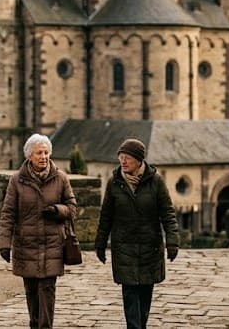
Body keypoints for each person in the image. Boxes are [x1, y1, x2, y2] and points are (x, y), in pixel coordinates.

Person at [94, 138, 179, 329]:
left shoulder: (155, 182)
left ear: (139, 160)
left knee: (145, 292)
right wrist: (100, 243)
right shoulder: (114, 182)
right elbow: (106, 215)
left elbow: (167, 213)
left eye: (127, 158)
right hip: (124, 246)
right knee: (130, 291)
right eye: (121, 158)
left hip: (150, 246)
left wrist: (172, 241)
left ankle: (140, 325)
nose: (123, 162)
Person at [0, 133, 78, 329]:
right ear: (29, 156)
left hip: (52, 244)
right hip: (27, 244)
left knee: (47, 289)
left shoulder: (60, 178)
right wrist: (4, 244)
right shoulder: (17, 181)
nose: (43, 157)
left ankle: (45, 327)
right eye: (39, 153)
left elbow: (73, 208)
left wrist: (58, 210)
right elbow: (8, 213)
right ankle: (34, 324)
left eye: (46, 152)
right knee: (32, 291)